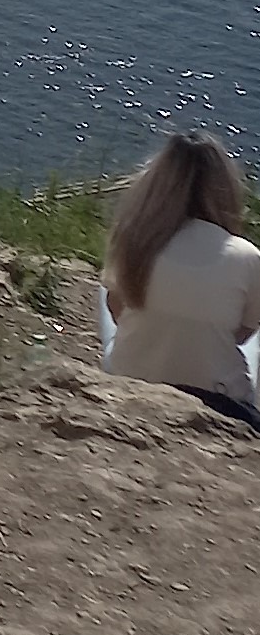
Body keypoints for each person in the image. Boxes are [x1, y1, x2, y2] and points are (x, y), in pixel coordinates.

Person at [102, 131, 260, 426]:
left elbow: (116, 310)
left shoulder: (133, 240)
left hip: (132, 382)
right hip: (219, 401)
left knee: (111, 295)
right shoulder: (247, 256)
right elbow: (242, 333)